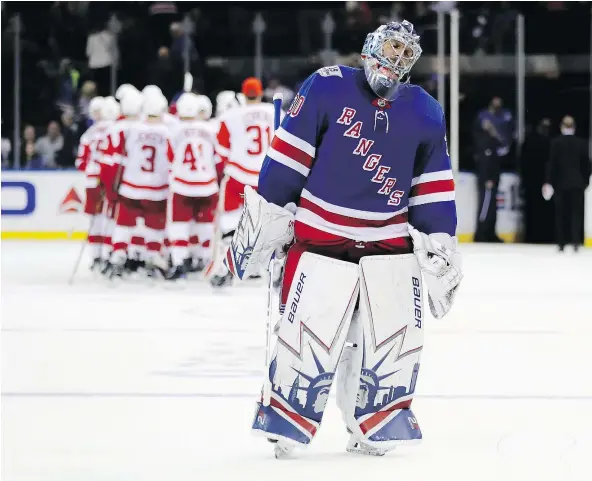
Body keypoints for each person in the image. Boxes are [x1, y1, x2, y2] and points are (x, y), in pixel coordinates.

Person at [225, 21, 462, 458]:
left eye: (402, 54)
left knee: (383, 341)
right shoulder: (326, 87)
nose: (392, 62)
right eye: (388, 49)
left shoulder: (426, 110)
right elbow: (286, 162)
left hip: (388, 245)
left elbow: (431, 188)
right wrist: (264, 222)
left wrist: (440, 242)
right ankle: (286, 413)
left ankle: (374, 420)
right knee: (308, 334)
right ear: (369, 47)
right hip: (320, 238)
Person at [209, 77, 282, 287]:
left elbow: (221, 154)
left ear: (243, 94)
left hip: (237, 177)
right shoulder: (274, 111)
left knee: (230, 224)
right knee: (269, 225)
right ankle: (273, 269)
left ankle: (226, 268)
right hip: (266, 176)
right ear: (260, 93)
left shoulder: (229, 116)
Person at [103, 94, 174, 279]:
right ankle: (152, 259)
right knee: (154, 226)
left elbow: (121, 158)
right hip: (157, 189)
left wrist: (114, 185)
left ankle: (118, 256)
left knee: (124, 224)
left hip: (131, 186)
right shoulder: (168, 132)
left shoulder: (132, 130)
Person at [166, 93, 219, 279]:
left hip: (181, 185)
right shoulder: (212, 129)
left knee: (179, 226)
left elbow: (169, 158)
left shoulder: (173, 130)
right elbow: (219, 157)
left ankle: (180, 262)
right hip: (208, 185)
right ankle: (204, 260)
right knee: (205, 225)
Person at [543, 116, 591, 252]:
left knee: (561, 214)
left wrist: (549, 181)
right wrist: (584, 182)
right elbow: (587, 165)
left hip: (560, 184)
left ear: (562, 127)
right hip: (577, 184)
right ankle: (576, 241)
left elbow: (552, 164)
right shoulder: (582, 143)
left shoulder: (556, 143)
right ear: (574, 127)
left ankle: (561, 242)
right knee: (576, 213)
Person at [472, 96, 513, 242]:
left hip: (493, 175)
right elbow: (485, 160)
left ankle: (490, 232)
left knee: (492, 204)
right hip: (487, 177)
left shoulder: (493, 141)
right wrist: (487, 177)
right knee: (485, 204)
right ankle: (482, 233)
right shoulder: (484, 142)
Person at [520, 118, 554, 243]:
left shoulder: (529, 141)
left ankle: (533, 236)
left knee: (534, 211)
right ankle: (543, 236)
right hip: (541, 181)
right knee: (541, 210)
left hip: (533, 182)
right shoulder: (550, 142)